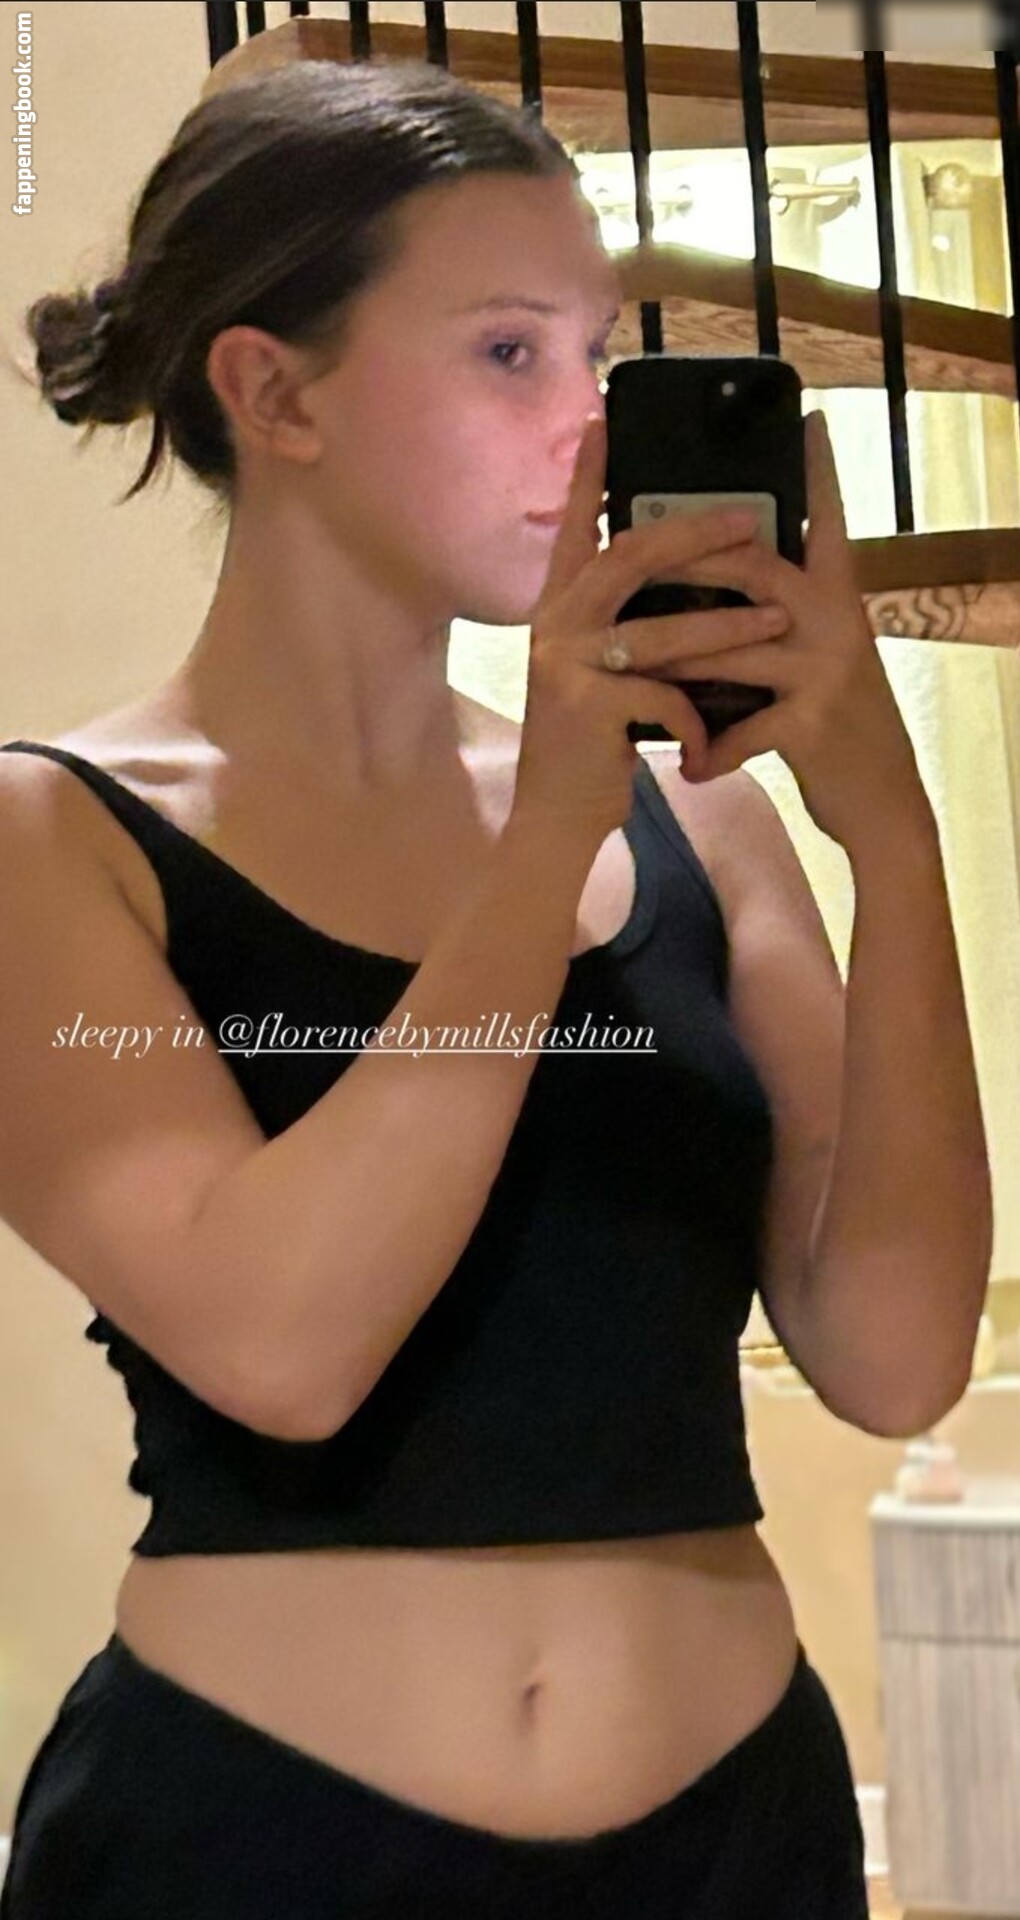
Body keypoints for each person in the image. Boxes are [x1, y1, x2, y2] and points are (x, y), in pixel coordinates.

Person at [0, 55, 991, 1920]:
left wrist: (893, 837)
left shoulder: (704, 829)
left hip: (736, 1843)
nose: (587, 424)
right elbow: (287, 1349)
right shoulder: (54, 840)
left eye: (599, 353)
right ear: (273, 390)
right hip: (256, 1848)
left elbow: (895, 1356)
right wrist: (539, 852)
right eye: (509, 352)